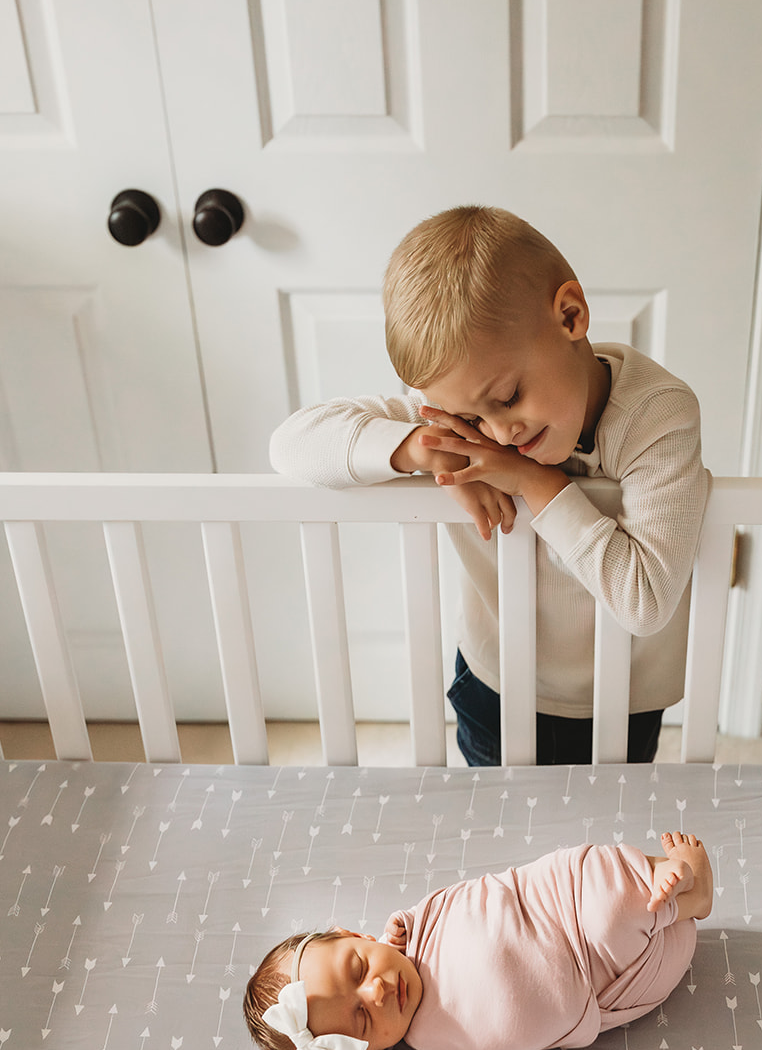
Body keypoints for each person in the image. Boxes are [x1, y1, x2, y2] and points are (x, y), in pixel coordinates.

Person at [269, 205, 710, 766]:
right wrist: (426, 450)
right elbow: (290, 444)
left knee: (602, 842)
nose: (499, 432)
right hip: (494, 684)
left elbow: (645, 602)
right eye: (474, 421)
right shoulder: (458, 417)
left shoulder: (657, 416)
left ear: (571, 315)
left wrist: (532, 480)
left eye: (507, 399)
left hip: (621, 701)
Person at [243, 832, 712, 1050]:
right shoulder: (431, 1037)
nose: (378, 989)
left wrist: (399, 933)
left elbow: (478, 898)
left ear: (352, 934)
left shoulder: (408, 935)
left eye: (359, 967)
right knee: (614, 915)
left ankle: (688, 886)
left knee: (602, 884)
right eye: (363, 1019)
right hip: (610, 976)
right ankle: (677, 902)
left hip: (550, 898)